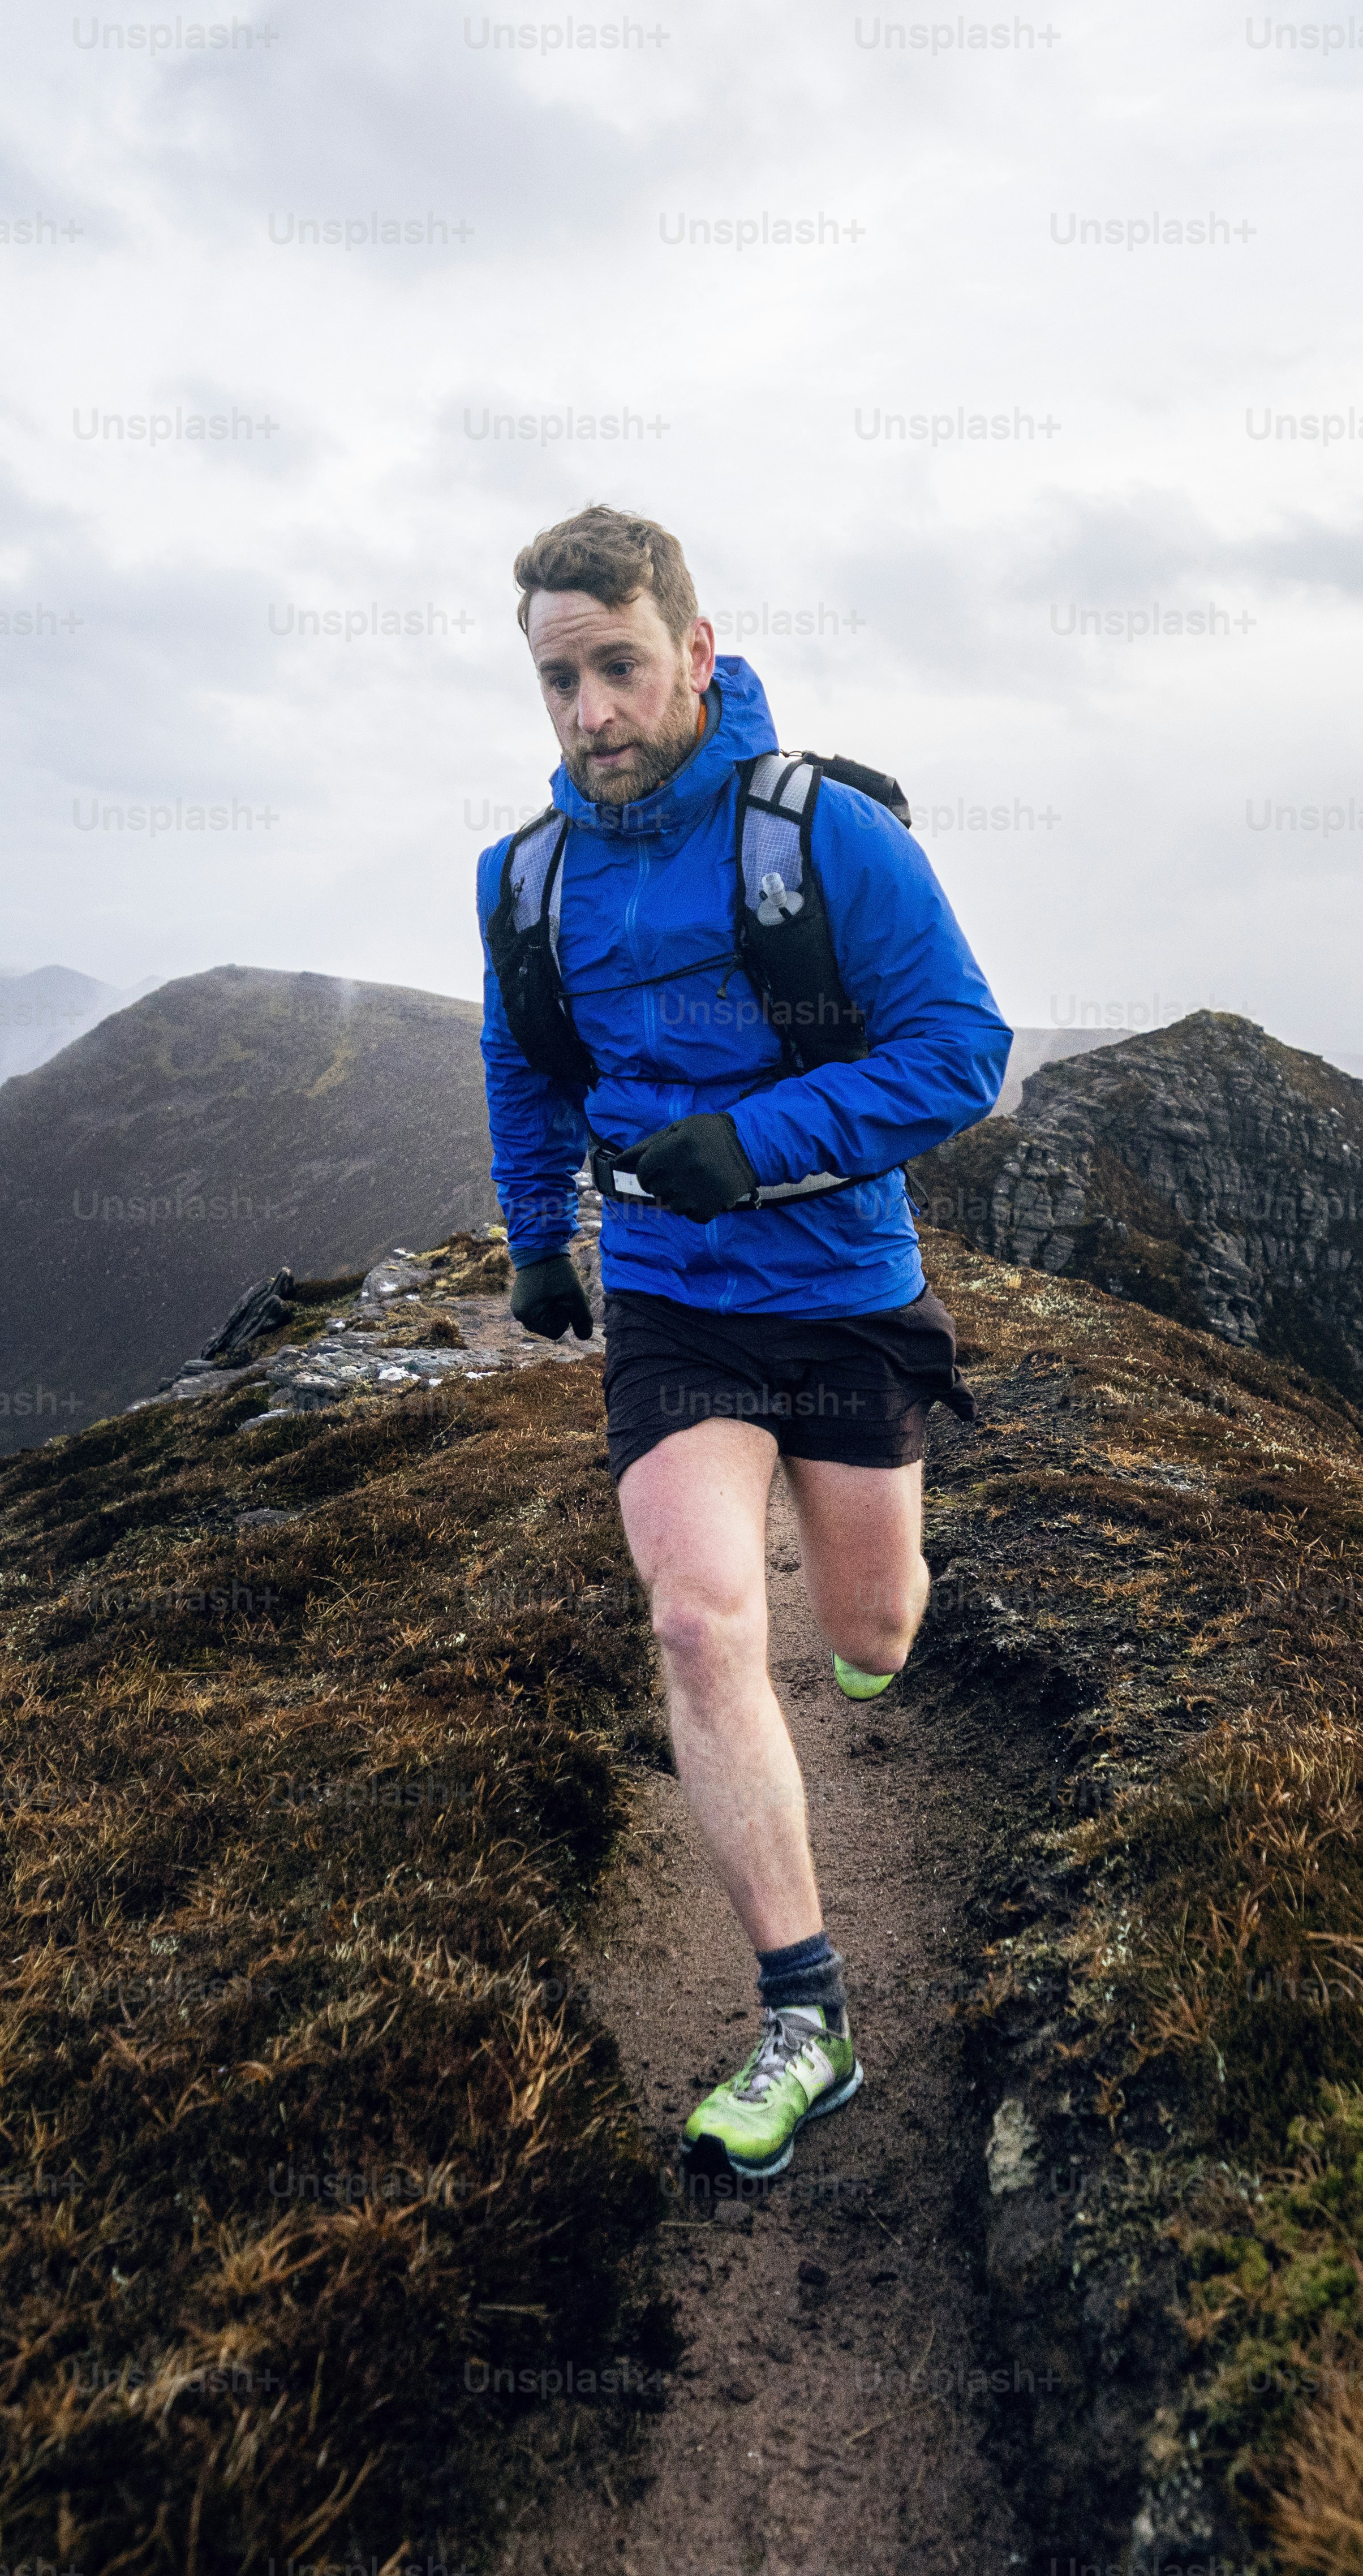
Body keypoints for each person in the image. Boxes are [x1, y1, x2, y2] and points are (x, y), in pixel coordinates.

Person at [475, 504, 1009, 2182]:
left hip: (844, 1285)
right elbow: (528, 1066)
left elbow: (962, 1052)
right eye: (560, 682)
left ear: (696, 656)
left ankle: (860, 1645)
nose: (590, 716)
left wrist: (762, 1144)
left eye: (620, 669)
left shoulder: (826, 837)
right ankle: (807, 2015)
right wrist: (538, 1236)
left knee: (877, 1625)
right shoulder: (527, 878)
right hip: (673, 1302)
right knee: (705, 1621)